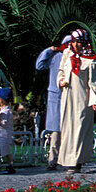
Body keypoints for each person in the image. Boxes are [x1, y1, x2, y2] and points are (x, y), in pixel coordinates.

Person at [56, 28, 96, 173]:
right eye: (74, 42)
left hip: (82, 98)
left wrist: (95, 100)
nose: (76, 45)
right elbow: (61, 71)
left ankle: (76, 161)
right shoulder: (67, 54)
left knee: (79, 128)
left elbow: (94, 82)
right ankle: (67, 159)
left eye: (79, 42)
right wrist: (61, 80)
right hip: (67, 96)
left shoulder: (91, 59)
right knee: (68, 128)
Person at [36, 35, 70, 170]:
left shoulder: (76, 59)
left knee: (69, 130)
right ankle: (52, 160)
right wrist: (49, 50)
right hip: (55, 96)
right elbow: (39, 65)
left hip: (70, 97)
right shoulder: (55, 57)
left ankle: (68, 159)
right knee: (56, 131)